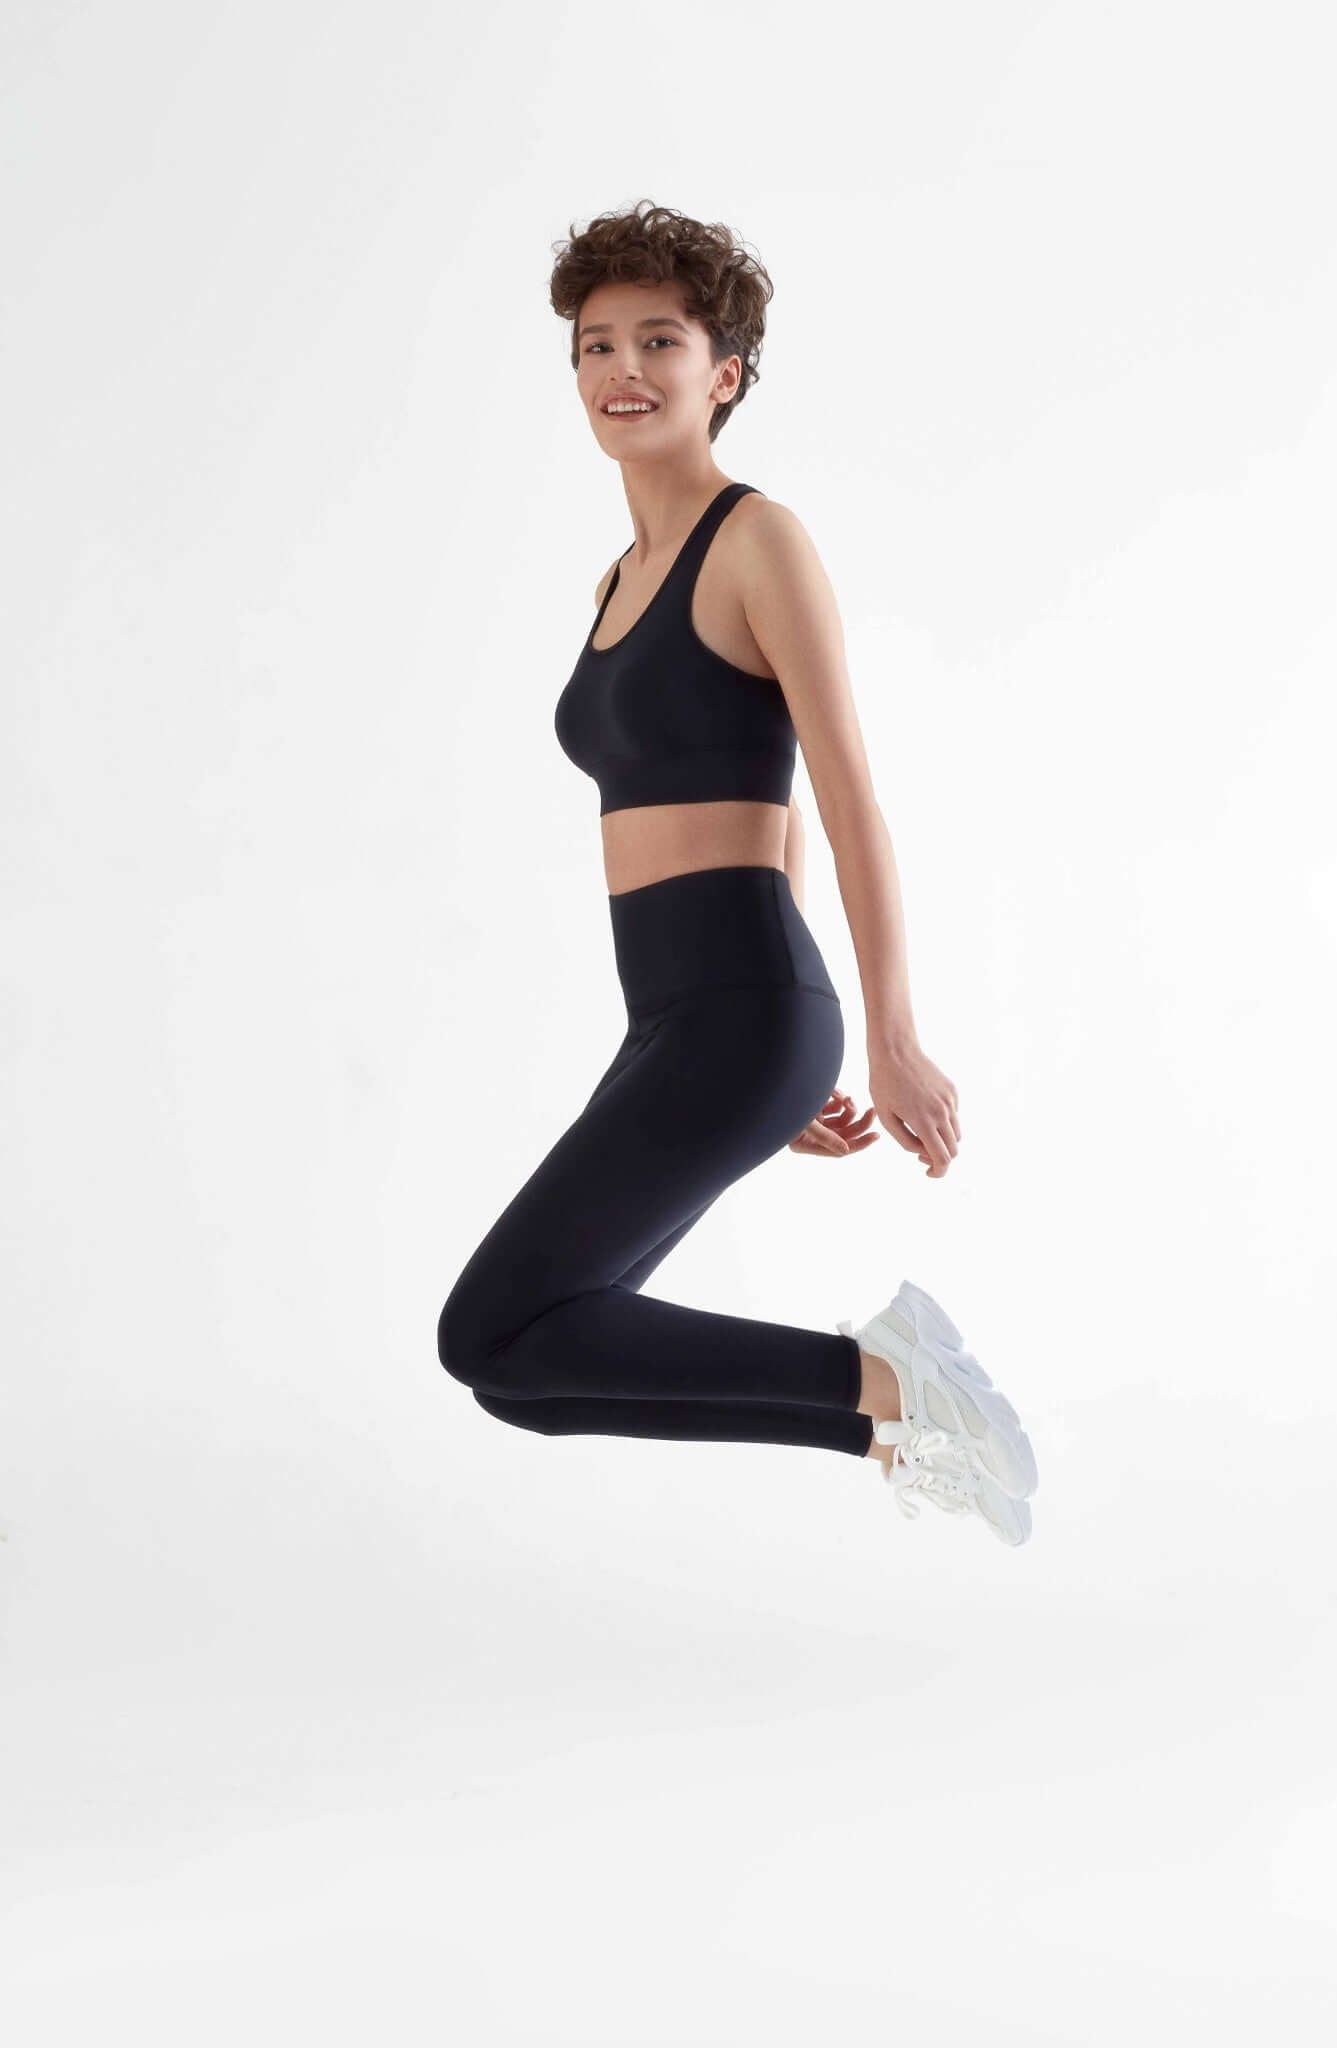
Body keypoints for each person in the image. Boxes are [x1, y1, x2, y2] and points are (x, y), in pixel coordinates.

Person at [437, 200, 1038, 1545]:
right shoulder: (619, 574)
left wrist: (884, 1036)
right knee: (527, 1365)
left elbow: (844, 792)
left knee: (492, 1323)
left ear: (725, 375)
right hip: (691, 1017)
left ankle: (892, 1381)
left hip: (739, 1009)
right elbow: (779, 826)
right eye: (595, 344)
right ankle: (889, 1408)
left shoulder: (752, 538)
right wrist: (796, 1045)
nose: (621, 369)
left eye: (659, 339)